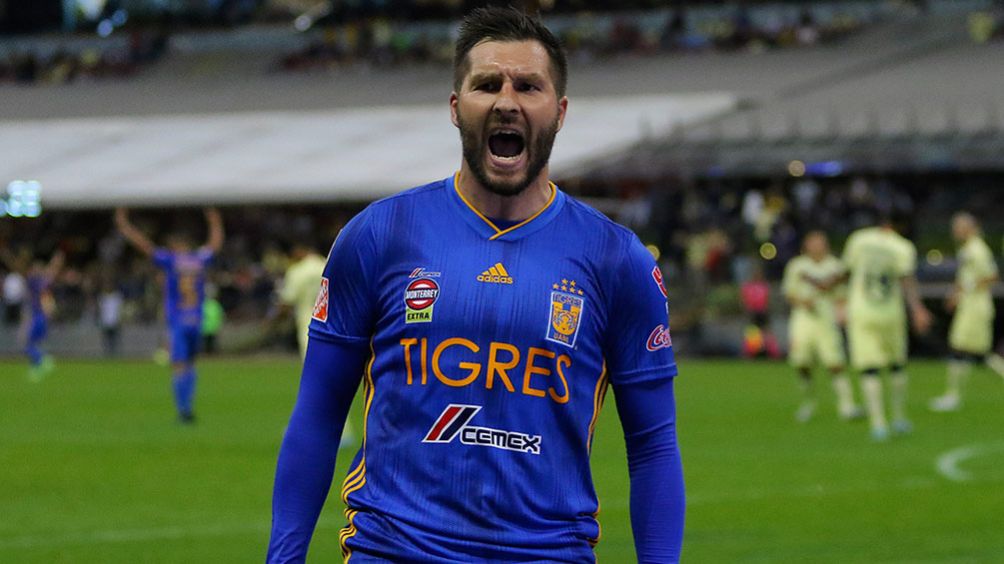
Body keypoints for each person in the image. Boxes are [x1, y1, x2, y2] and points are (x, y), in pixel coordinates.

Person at [268, 7, 685, 562]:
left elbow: (653, 446)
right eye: (487, 84)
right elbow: (318, 415)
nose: (506, 101)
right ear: (455, 106)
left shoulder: (615, 259)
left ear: (560, 112)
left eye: (528, 86)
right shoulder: (379, 235)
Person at [115, 207, 224, 423]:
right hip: (196, 319)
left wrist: (124, 225)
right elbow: (215, 245)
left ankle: (184, 410)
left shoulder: (171, 260)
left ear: (177, 246)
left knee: (179, 365)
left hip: (178, 320)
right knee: (190, 364)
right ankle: (188, 407)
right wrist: (214, 221)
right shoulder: (198, 259)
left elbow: (144, 246)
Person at [842, 215, 932, 441]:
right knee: (896, 365)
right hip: (890, 312)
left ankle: (878, 423)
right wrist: (918, 310)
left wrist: (841, 303)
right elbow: (906, 280)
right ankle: (899, 418)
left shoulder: (858, 239)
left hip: (861, 311)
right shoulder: (902, 247)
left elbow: (847, 273)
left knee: (869, 368)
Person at [782, 231, 862, 422]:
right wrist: (803, 302)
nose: (817, 247)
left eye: (820, 243)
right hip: (803, 318)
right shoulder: (797, 266)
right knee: (801, 361)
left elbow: (842, 295)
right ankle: (808, 400)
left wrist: (843, 313)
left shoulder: (835, 266)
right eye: (813, 243)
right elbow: (789, 292)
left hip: (826, 317)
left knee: (834, 362)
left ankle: (847, 405)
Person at [930, 212, 1004, 411]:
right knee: (972, 351)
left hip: (976, 307)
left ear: (968, 228)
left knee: (963, 349)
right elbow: (965, 277)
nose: (954, 232)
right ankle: (952, 395)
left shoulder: (977, 249)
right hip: (970, 306)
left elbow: (992, 276)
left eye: (957, 227)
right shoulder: (968, 248)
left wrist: (964, 289)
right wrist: (955, 294)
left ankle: (952, 396)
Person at [1, 248, 64, 380]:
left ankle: (43, 360)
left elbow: (48, 273)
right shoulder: (41, 282)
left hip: (38, 317)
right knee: (30, 343)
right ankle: (37, 367)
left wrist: (6, 254)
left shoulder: (34, 281)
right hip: (39, 316)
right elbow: (51, 272)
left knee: (27, 344)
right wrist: (56, 261)